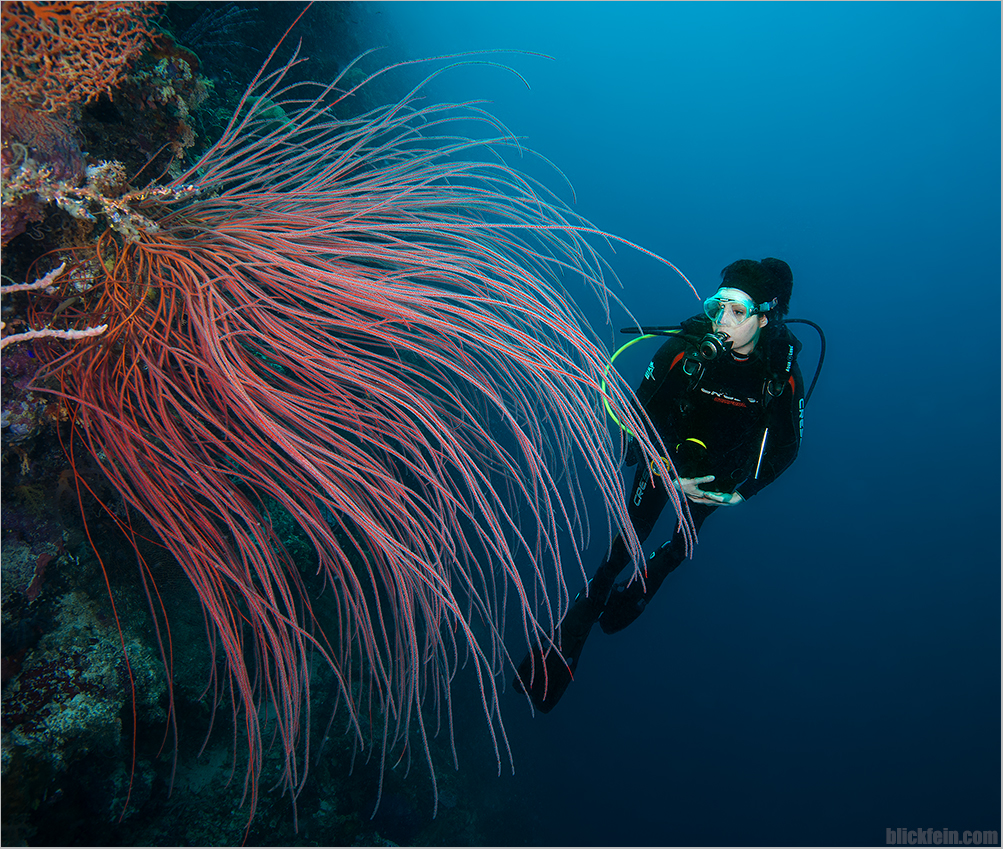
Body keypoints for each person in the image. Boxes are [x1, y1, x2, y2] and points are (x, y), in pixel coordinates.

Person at [514, 257, 805, 712]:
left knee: (680, 546)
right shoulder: (683, 351)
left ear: (765, 318)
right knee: (627, 539)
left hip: (716, 479)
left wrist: (738, 493)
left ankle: (655, 576)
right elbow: (634, 411)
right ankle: (589, 606)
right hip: (662, 462)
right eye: (717, 306)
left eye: (737, 311)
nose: (721, 321)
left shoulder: (778, 377)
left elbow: (787, 447)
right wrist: (664, 466)